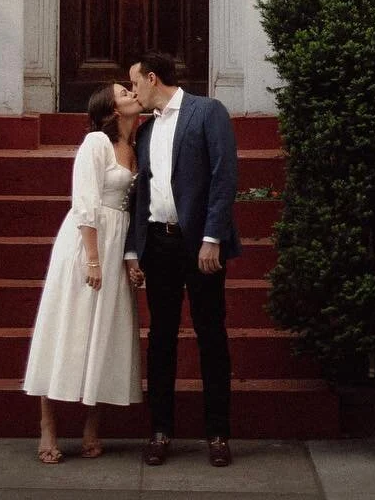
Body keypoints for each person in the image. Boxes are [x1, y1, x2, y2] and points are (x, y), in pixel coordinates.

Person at [124, 51, 240, 469]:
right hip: (159, 244)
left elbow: (224, 176)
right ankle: (160, 431)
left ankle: (218, 434)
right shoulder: (145, 130)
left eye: (134, 82)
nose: (133, 91)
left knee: (211, 335)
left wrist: (212, 238)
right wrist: (133, 250)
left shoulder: (207, 112)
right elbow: (140, 194)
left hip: (200, 245)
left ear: (152, 78)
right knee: (161, 338)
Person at [22, 80, 143, 463]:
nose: (132, 93)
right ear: (112, 109)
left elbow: (133, 209)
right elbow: (85, 202)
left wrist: (129, 257)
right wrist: (92, 258)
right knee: (67, 326)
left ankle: (92, 426)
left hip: (117, 243)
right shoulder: (96, 143)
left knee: (104, 330)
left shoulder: (137, 147)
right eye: (123, 93)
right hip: (86, 243)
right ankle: (48, 426)